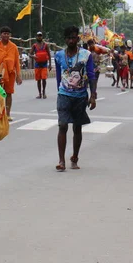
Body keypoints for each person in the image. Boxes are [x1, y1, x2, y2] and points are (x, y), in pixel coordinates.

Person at [54, 26, 97, 171]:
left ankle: (75, 157)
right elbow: (59, 77)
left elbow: (91, 75)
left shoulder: (86, 55)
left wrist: (93, 96)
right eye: (68, 38)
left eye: (73, 37)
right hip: (64, 95)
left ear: (78, 39)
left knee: (77, 128)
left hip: (80, 96)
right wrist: (59, 92)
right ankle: (61, 161)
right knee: (62, 126)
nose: (71, 40)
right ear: (65, 40)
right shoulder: (59, 55)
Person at [0, 26, 22, 120]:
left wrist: (18, 76)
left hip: (10, 74)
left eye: (8, 34)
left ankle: (7, 114)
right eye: (4, 33)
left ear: (10, 35)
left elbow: (16, 62)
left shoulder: (14, 47)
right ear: (1, 35)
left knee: (8, 93)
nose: (6, 35)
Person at [30, 31, 52, 99]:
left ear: (42, 37)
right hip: (37, 65)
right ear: (36, 37)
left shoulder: (45, 45)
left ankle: (44, 92)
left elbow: (49, 54)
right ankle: (39, 93)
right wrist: (34, 57)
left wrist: (50, 64)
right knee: (38, 80)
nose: (39, 37)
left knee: (44, 79)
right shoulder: (34, 45)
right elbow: (30, 54)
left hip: (44, 64)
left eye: (40, 36)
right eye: (38, 36)